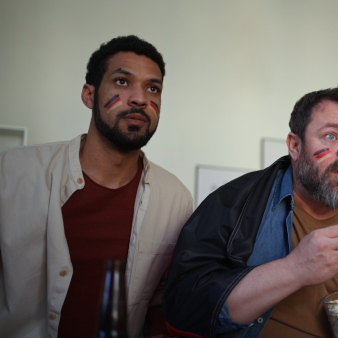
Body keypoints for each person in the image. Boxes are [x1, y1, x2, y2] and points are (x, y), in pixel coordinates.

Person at [163, 86, 338, 338]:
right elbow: (186, 306)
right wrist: (294, 269)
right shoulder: (231, 203)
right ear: (295, 146)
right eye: (331, 135)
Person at [0, 35, 193, 338]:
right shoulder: (12, 172)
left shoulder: (176, 199)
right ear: (89, 95)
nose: (140, 99)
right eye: (122, 82)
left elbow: (163, 296)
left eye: (152, 88)